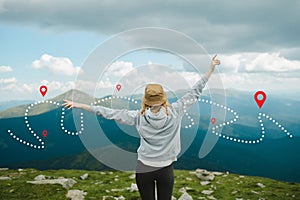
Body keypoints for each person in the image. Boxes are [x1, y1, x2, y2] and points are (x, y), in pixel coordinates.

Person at [63, 55, 220, 200]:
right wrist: (210, 69)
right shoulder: (176, 111)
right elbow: (195, 91)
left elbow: (109, 113)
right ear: (163, 98)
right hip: (166, 169)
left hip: (144, 168)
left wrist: (79, 105)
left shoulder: (138, 116)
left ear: (146, 100)